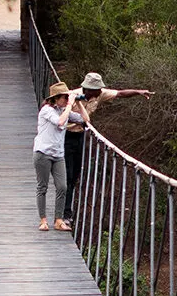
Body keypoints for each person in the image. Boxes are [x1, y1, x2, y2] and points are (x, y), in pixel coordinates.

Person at [63, 72, 154, 224]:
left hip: (79, 136)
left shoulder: (98, 94)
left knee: (74, 175)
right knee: (67, 175)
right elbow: (52, 108)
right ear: (88, 89)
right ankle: (65, 213)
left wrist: (138, 92)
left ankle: (66, 211)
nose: (100, 92)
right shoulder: (71, 96)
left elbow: (120, 93)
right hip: (64, 136)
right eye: (97, 89)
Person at [33, 81, 89, 232]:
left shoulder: (63, 109)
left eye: (67, 97)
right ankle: (43, 220)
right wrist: (70, 105)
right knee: (42, 187)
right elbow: (60, 122)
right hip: (43, 154)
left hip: (58, 155)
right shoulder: (47, 110)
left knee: (63, 187)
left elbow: (85, 120)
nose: (66, 100)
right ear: (55, 98)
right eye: (64, 97)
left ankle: (58, 220)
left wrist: (78, 102)